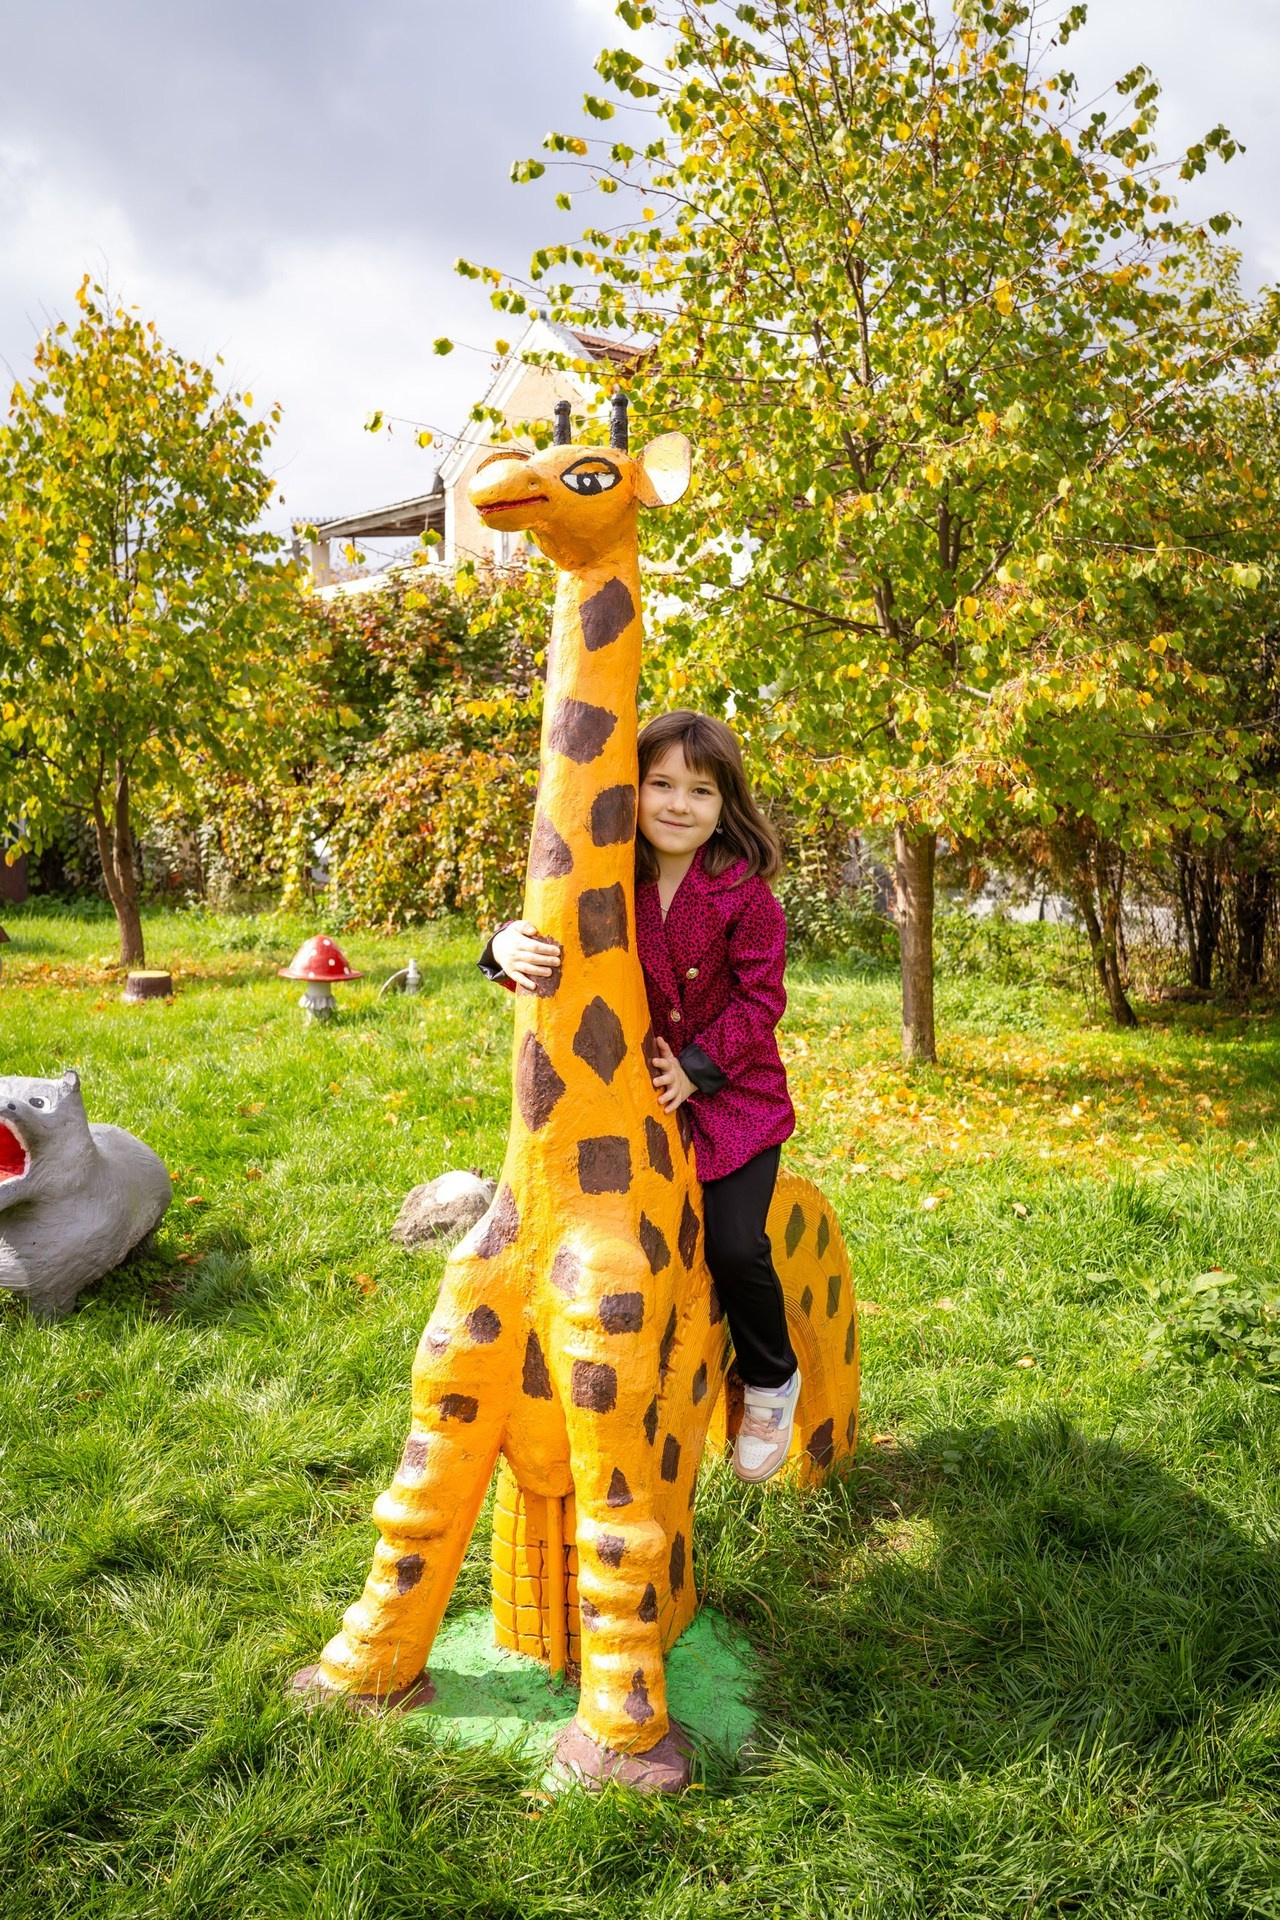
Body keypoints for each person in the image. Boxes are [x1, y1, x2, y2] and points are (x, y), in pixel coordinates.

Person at [480, 709, 801, 1483]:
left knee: (734, 1245)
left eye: (701, 790)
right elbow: (555, 937)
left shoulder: (745, 896)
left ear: (726, 803)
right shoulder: (607, 875)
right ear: (632, 789)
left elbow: (760, 1000)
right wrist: (502, 946)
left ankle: (771, 1377)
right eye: (661, 784)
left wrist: (698, 1067)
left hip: (732, 1100)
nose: (679, 804)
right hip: (635, 1098)